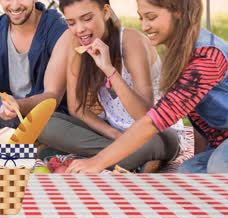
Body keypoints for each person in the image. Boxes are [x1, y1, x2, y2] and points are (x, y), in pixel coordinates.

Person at [67, 0, 228, 173]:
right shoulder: (183, 52)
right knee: (188, 172)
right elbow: (199, 118)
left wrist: (98, 162)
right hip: (219, 145)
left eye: (151, 17)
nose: (144, 27)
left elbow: (155, 120)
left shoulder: (207, 58)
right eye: (141, 18)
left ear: (179, 12)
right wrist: (198, 157)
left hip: (220, 149)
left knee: (217, 166)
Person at [38, 0, 180, 172]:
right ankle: (125, 158)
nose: (79, 29)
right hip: (114, 132)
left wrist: (109, 70)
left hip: (155, 132)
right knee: (44, 123)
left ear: (105, 12)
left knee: (150, 143)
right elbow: (76, 108)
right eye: (71, 23)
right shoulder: (78, 45)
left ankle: (108, 156)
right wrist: (113, 134)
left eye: (87, 18)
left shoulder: (131, 41)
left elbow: (145, 116)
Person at [0, 0, 70, 133]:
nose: (15, 5)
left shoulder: (58, 30)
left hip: (42, 114)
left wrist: (17, 106)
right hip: (5, 107)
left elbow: (53, 96)